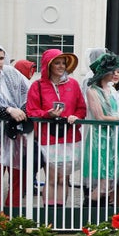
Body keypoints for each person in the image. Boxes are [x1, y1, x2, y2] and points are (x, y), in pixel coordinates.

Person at [26, 49, 87, 206]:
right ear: (48, 65)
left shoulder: (73, 84)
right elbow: (31, 111)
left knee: (63, 178)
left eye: (63, 63)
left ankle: (60, 213)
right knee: (52, 177)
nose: (61, 66)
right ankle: (49, 214)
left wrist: (76, 117)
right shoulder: (37, 86)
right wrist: (48, 114)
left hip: (70, 137)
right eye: (57, 63)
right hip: (48, 138)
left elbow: (81, 108)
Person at [82, 53, 119, 204]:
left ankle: (97, 210)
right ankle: (88, 207)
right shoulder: (93, 91)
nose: (117, 74)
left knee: (110, 180)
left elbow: (114, 113)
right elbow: (100, 117)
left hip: (112, 138)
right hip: (99, 138)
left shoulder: (111, 90)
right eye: (114, 71)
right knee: (104, 181)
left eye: (118, 71)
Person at [0, 38, 31, 208]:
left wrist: (23, 112)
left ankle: (14, 215)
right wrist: (8, 111)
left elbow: (28, 93)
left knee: (19, 177)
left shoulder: (11, 74)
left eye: (1, 58)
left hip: (15, 135)